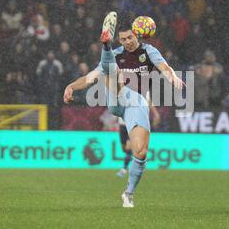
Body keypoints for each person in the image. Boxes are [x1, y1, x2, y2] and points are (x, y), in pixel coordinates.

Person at [64, 12, 184, 207]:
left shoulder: (149, 51)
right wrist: (71, 86)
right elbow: (90, 77)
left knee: (141, 151)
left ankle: (128, 193)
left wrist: (173, 78)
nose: (127, 42)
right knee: (113, 70)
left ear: (137, 35)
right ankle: (105, 45)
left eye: (129, 37)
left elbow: (164, 67)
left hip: (136, 104)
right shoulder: (118, 54)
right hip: (116, 97)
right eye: (122, 39)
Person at [116, 95, 161, 178]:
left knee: (129, 147)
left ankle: (124, 169)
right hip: (122, 124)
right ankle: (140, 161)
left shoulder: (141, 89)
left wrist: (156, 114)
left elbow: (149, 102)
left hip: (133, 123)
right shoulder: (122, 88)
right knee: (124, 148)